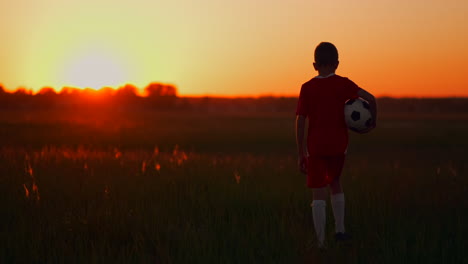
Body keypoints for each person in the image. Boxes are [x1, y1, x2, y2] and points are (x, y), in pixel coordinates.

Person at [295, 42, 377, 248]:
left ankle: (320, 242)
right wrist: (371, 123)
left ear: (314, 65)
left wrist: (300, 152)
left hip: (316, 148)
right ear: (337, 64)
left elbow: (300, 120)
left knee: (318, 191)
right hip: (339, 146)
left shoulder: (307, 87)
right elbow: (371, 99)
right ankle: (340, 231)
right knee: (335, 183)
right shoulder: (343, 84)